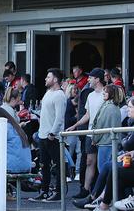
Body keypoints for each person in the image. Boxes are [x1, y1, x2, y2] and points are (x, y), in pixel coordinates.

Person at [67, 68, 106, 200]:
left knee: (103, 163)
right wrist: (75, 126)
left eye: (91, 77)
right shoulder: (90, 95)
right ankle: (86, 189)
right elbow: (88, 115)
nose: (88, 79)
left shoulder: (106, 93)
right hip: (91, 132)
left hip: (104, 133)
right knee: (90, 161)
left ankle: (101, 192)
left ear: (97, 79)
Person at [29, 68, 67, 202]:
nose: (45, 79)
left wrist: (53, 132)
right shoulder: (48, 93)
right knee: (44, 165)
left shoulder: (59, 95)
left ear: (55, 79)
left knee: (57, 165)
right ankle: (44, 191)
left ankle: (58, 192)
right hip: (43, 134)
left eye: (48, 77)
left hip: (53, 136)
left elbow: (59, 117)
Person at [92, 84, 124, 175]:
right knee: (110, 172)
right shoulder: (116, 107)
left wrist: (94, 139)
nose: (103, 93)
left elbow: (100, 125)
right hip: (112, 143)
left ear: (111, 93)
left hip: (105, 144)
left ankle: (106, 190)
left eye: (106, 91)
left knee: (103, 171)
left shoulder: (108, 107)